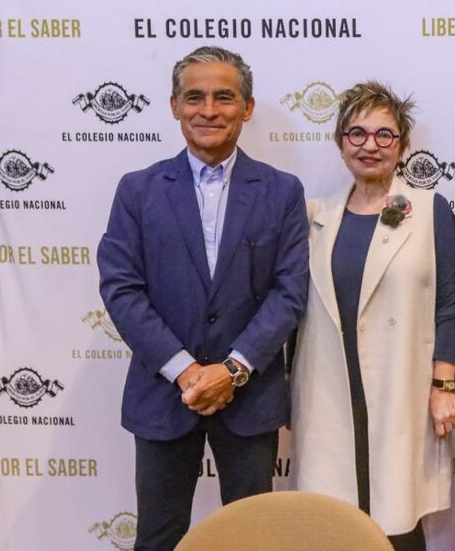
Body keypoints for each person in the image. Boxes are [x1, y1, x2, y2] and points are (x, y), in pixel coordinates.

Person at [97, 46, 309, 551]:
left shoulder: (281, 191)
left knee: (250, 538)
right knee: (158, 536)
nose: (208, 110)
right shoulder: (138, 190)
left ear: (248, 107)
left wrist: (232, 370)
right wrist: (188, 372)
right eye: (194, 97)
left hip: (248, 396)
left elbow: (289, 291)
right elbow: (121, 287)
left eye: (224, 97)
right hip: (163, 393)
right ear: (174, 105)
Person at [289, 81, 455, 550]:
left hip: (398, 392)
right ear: (340, 142)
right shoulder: (312, 215)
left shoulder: (428, 211)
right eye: (357, 133)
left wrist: (444, 384)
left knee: (398, 525)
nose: (371, 145)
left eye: (385, 135)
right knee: (331, 527)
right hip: (328, 391)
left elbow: (451, 303)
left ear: (403, 145)